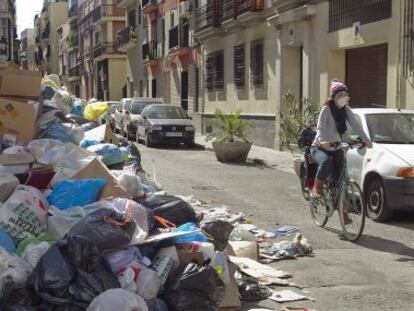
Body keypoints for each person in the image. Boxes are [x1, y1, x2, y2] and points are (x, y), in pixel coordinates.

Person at [311, 80, 373, 197]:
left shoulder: (346, 110)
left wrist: (366, 139)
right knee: (326, 163)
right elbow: (320, 128)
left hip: (336, 147)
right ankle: (317, 188)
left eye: (345, 95)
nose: (343, 97)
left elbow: (356, 126)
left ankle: (343, 211)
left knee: (340, 178)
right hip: (319, 147)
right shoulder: (326, 109)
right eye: (340, 95)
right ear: (333, 97)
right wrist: (322, 141)